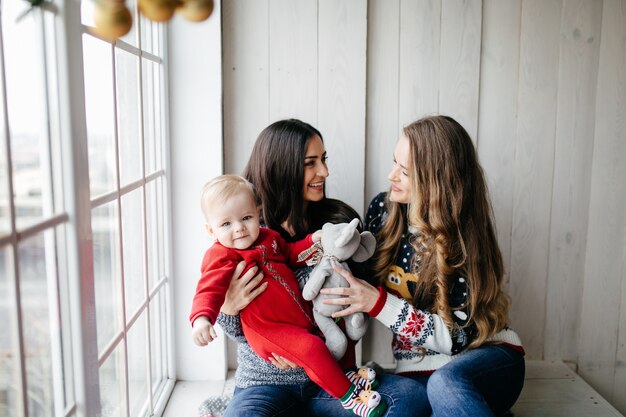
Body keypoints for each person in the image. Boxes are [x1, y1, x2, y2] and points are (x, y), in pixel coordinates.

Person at [216, 119, 429, 417]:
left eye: (324, 159)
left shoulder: (339, 224)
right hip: (265, 383)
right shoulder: (246, 233)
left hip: (336, 385)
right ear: (282, 168)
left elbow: (356, 306)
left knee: (410, 400)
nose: (324, 172)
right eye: (310, 163)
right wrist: (228, 308)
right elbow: (236, 325)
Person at [322, 115, 526, 417]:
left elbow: (454, 339)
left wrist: (380, 304)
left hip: (485, 358)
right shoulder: (384, 210)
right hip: (415, 371)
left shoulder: (463, 238)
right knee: (394, 404)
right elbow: (352, 283)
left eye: (404, 172)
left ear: (435, 181)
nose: (391, 175)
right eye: (394, 162)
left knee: (446, 384)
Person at [190, 175, 387, 417]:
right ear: (211, 230)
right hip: (268, 329)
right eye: (226, 224)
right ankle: (350, 397)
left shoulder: (269, 238)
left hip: (299, 322)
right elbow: (208, 289)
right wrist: (202, 318)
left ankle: (344, 375)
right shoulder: (222, 256)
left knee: (334, 333)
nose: (239, 228)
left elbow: (292, 253)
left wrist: (314, 241)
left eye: (246, 218)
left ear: (257, 213)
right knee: (313, 347)